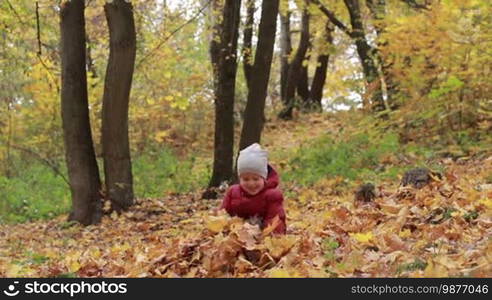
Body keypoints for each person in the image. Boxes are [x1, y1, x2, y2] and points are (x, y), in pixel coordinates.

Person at [220, 143, 286, 234]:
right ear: (240, 179)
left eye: (256, 179)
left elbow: (275, 219)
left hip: (262, 234)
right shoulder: (233, 192)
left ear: (263, 178)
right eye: (246, 179)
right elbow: (223, 215)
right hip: (237, 234)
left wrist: (269, 238)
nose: (251, 183)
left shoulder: (272, 195)